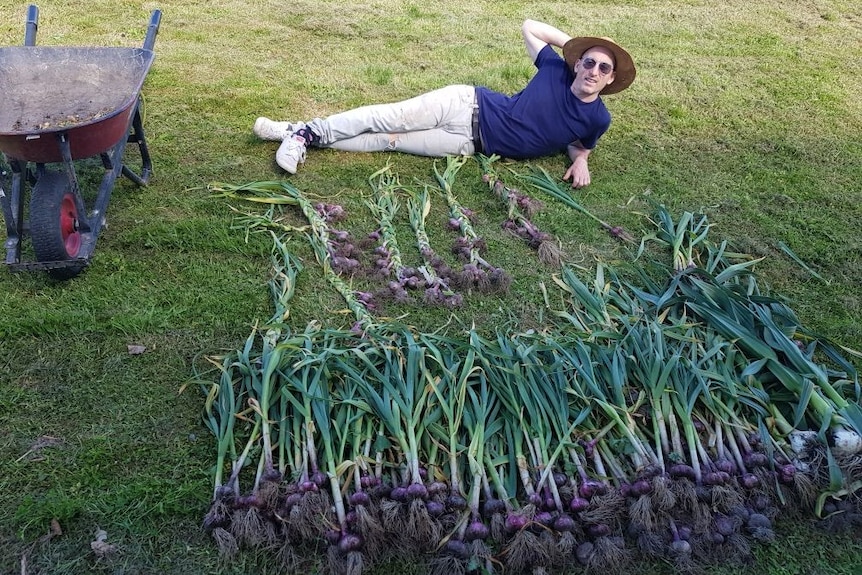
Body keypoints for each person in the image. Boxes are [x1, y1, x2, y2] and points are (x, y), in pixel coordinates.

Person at [253, 19, 635, 188]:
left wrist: (581, 160)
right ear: (578, 63)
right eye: (589, 62)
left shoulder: (599, 118)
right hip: (465, 106)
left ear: (611, 78)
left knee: (387, 140)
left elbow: (579, 144)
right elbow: (530, 25)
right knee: (390, 116)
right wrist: (573, 48)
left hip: (468, 145)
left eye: (603, 67)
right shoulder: (555, 68)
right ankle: (306, 133)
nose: (594, 70)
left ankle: (291, 132)